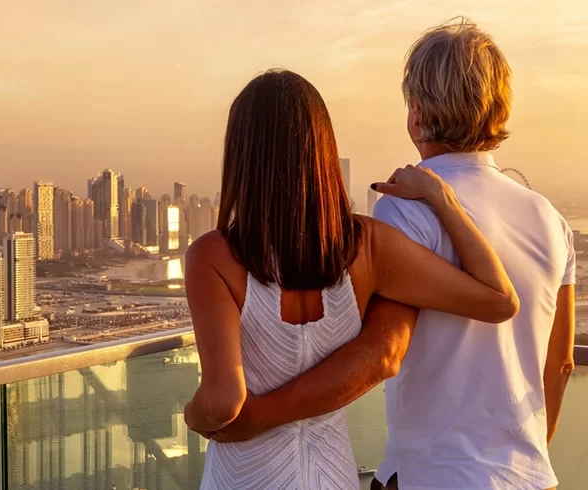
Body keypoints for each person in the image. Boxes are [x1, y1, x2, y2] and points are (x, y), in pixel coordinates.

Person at [203, 20, 576, 490]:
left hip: (429, 475)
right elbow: (560, 363)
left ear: (416, 113)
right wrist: (526, 456)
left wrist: (257, 417)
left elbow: (384, 351)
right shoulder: (549, 219)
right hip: (530, 476)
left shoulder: (405, 209)